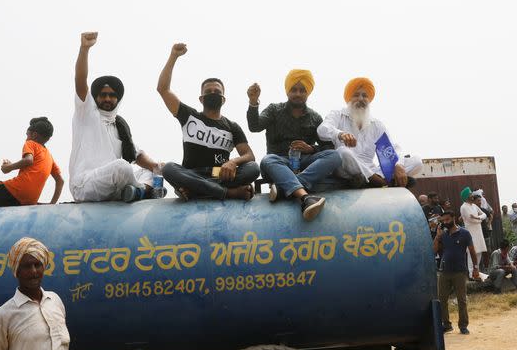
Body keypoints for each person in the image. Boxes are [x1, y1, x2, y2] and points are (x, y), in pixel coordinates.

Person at [157, 43, 260, 201]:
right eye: (209, 92)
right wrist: (173, 56)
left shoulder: (232, 127)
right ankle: (228, 193)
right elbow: (163, 89)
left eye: (217, 92)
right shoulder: (189, 116)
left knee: (253, 168)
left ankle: (197, 191)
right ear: (201, 98)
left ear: (223, 99)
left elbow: (249, 155)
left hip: (219, 174)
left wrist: (233, 162)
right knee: (169, 168)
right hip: (192, 172)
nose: (213, 94)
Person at [70, 32, 163, 203]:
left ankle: (134, 192)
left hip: (112, 185)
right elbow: (80, 80)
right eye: (103, 95)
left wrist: (158, 168)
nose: (107, 99)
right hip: (85, 185)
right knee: (121, 167)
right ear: (95, 97)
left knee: (151, 169)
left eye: (112, 95)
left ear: (117, 99)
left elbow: (137, 155)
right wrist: (84, 49)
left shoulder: (120, 126)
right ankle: (143, 191)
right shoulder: (87, 114)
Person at [246, 70, 339, 220]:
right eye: (294, 90)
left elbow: (328, 147)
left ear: (308, 93)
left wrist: (311, 148)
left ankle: (285, 189)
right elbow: (254, 126)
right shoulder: (274, 110)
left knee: (335, 156)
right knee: (268, 159)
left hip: (304, 164)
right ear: (287, 91)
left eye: (302, 90)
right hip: (278, 164)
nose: (297, 94)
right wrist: (253, 103)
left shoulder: (315, 118)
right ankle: (303, 195)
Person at [317, 77, 422, 188]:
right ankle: (382, 182)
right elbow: (322, 130)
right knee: (342, 152)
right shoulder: (338, 115)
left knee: (416, 161)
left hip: (372, 170)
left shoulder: (376, 124)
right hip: (347, 168)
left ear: (369, 100)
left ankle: (373, 180)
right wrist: (340, 134)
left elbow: (392, 148)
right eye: (356, 95)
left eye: (365, 96)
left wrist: (398, 165)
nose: (361, 99)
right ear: (349, 98)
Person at [434, 210, 478, 334]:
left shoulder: (464, 233)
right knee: (441, 299)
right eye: (443, 221)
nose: (445, 223)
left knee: (461, 300)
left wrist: (475, 267)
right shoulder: (443, 235)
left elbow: (472, 251)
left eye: (447, 220)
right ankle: (446, 324)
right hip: (444, 272)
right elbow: (434, 251)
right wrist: (437, 237)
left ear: (453, 218)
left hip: (459, 271)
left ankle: (463, 325)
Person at [459, 186, 487, 278]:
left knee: (479, 251)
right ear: (467, 196)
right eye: (471, 194)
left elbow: (484, 214)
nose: (472, 195)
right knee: (472, 252)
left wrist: (478, 218)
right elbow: (471, 220)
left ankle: (476, 271)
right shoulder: (463, 207)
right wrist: (479, 219)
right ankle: (471, 274)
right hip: (470, 232)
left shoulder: (474, 206)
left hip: (478, 231)